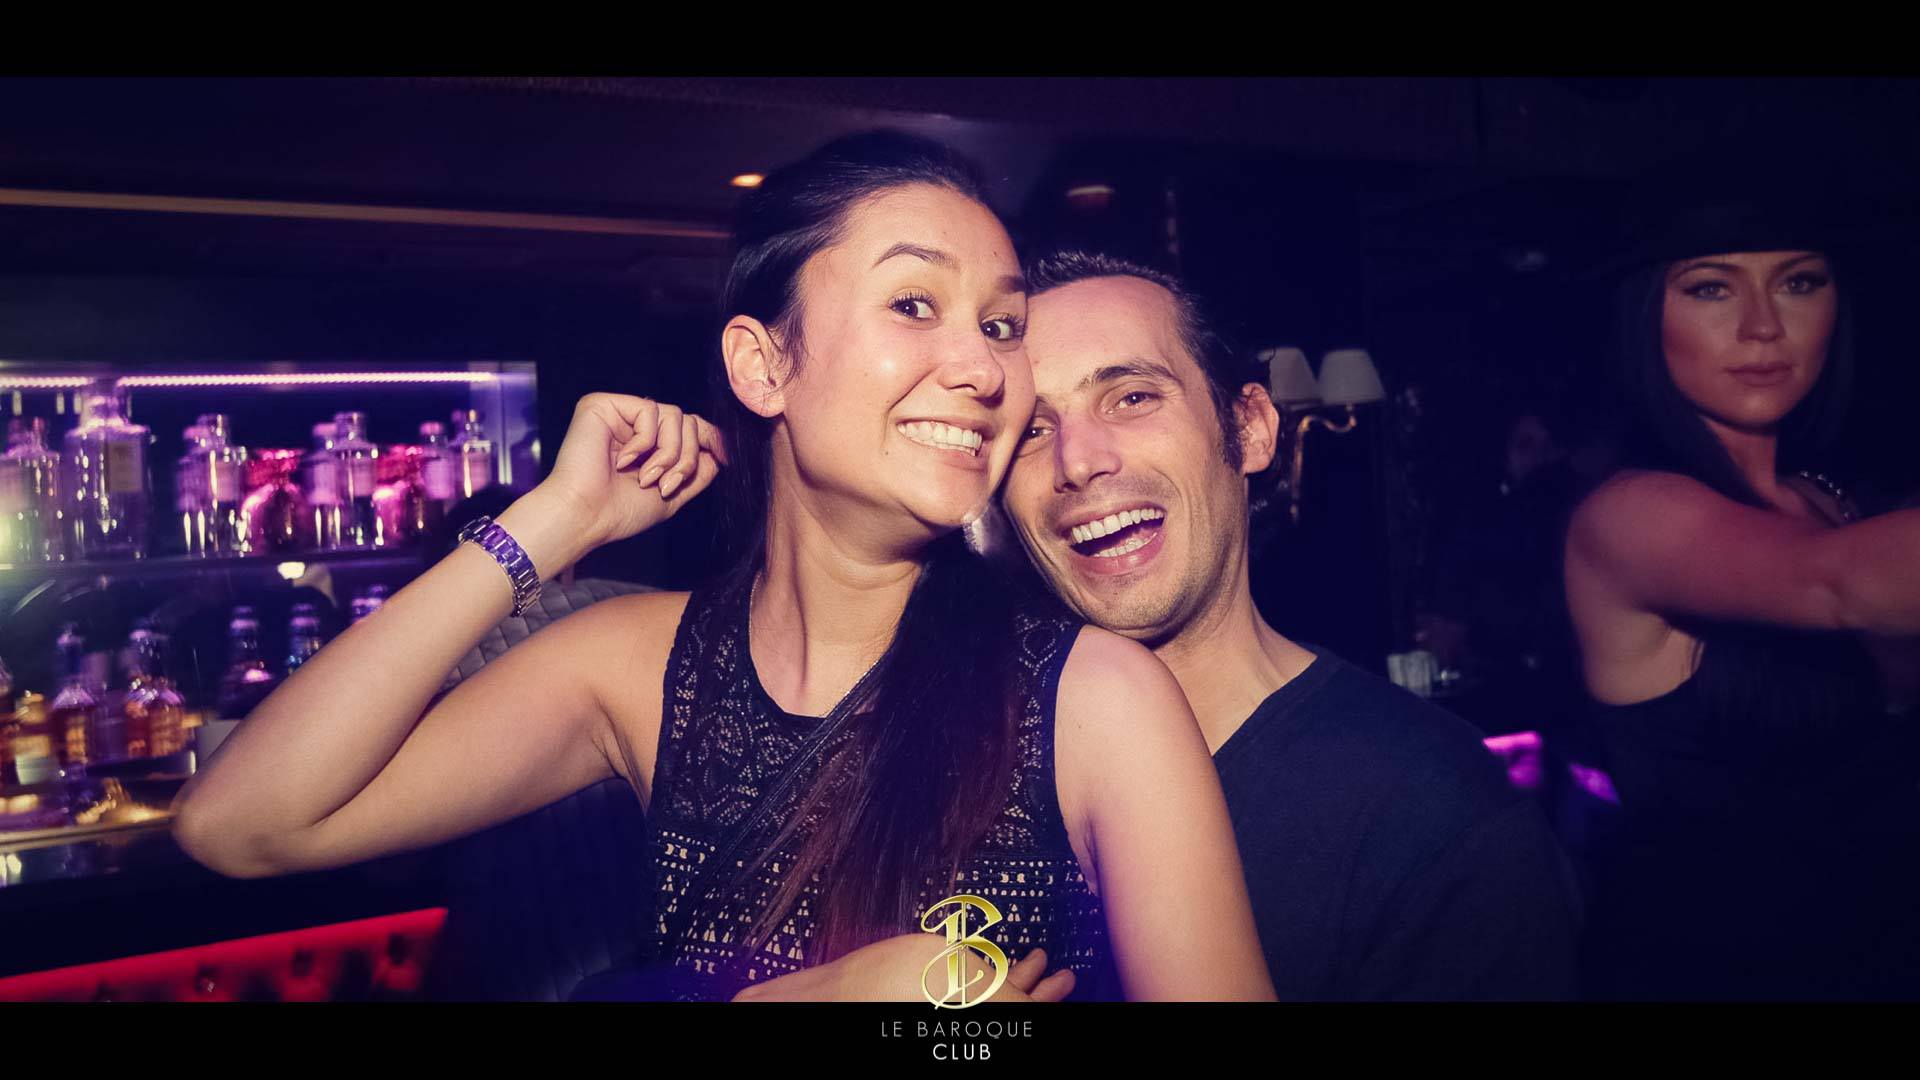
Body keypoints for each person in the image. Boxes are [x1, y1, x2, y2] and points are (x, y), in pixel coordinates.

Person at [168, 132, 1275, 1003]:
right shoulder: (632, 665)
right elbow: (241, 824)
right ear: (761, 364)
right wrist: (548, 525)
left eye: (1000, 325)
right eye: (914, 304)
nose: (982, 369)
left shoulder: (1093, 699)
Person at [759, 249, 1582, 1001]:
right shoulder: (929, 759)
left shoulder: (1434, 814)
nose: (1079, 460)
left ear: (1249, 429)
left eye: (1133, 397)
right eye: (1034, 429)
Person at [1563, 204, 1920, 999]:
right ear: (1645, 319)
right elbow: (1841, 586)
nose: (1764, 326)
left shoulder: (1831, 500)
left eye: (1799, 283)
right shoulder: (1630, 513)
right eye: (1711, 289)